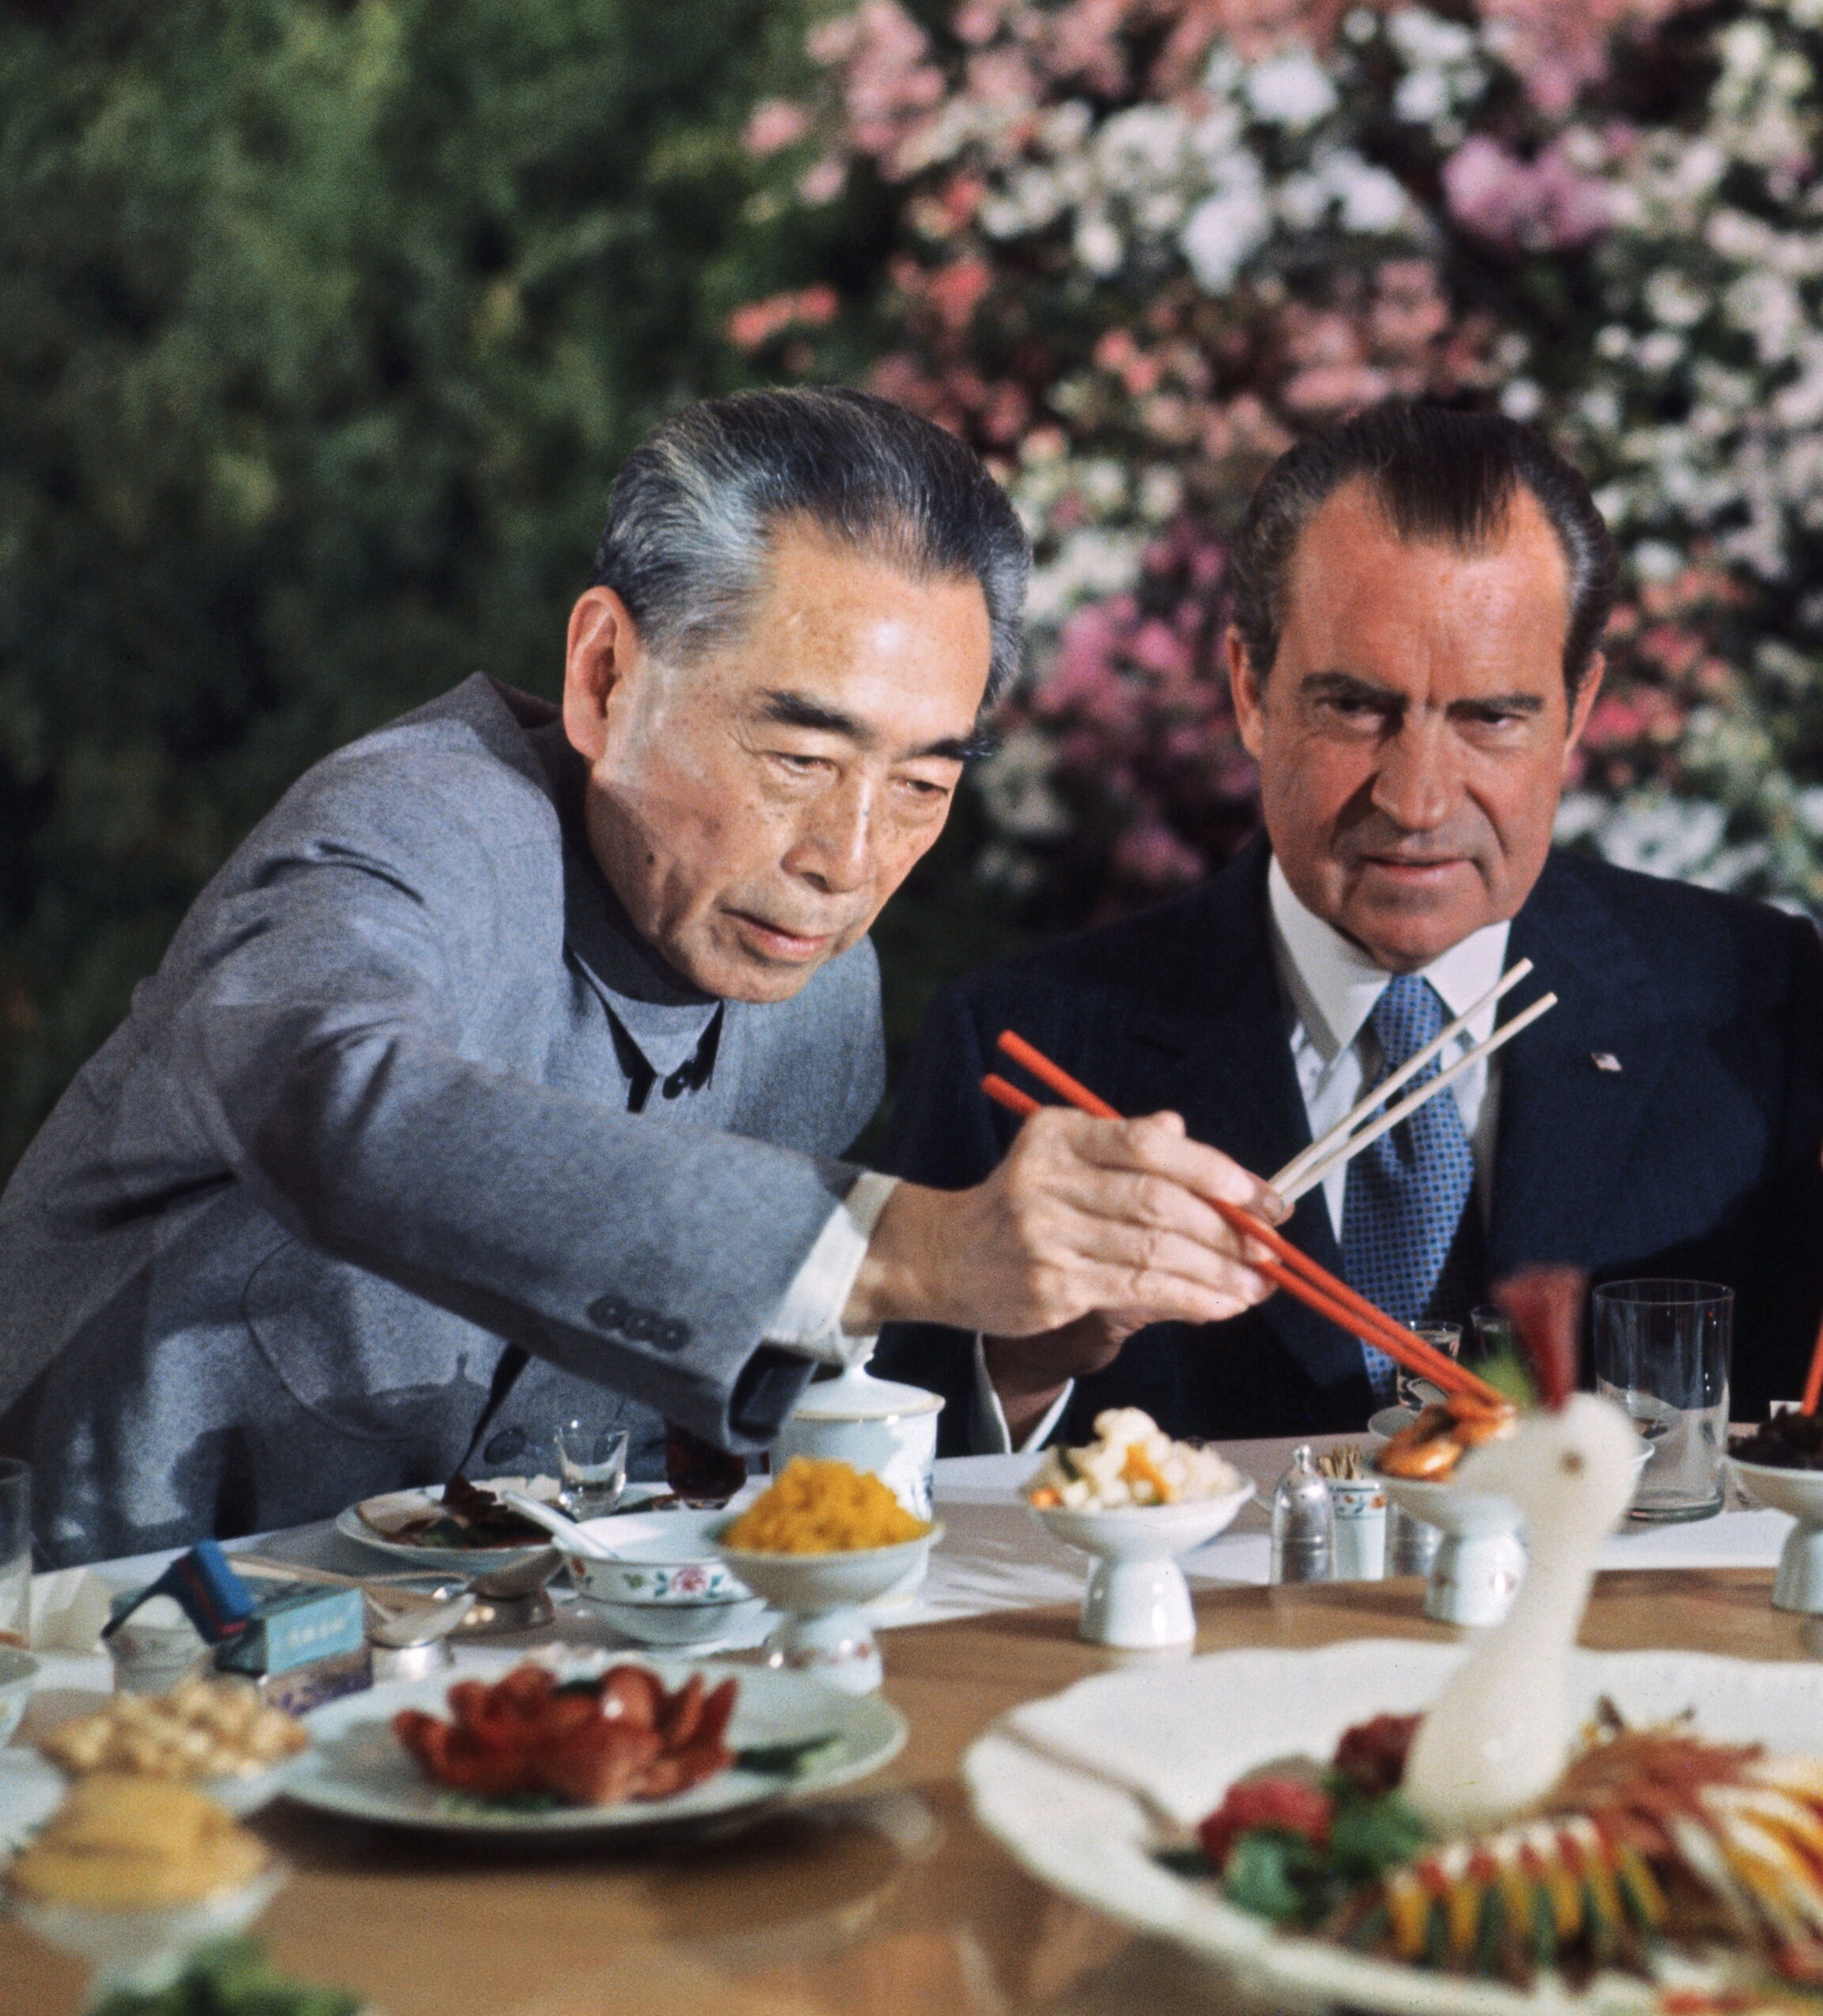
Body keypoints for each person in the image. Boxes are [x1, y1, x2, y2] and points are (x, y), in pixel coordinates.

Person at [0, 387, 1285, 1566]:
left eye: (924, 786)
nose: (847, 862)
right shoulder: (405, 828)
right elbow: (340, 1107)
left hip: (460, 1680)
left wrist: (1012, 1352)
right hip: (79, 1631)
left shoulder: (822, 995)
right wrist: (901, 1242)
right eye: (796, 759)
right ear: (605, 675)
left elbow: (753, 1450)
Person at [878, 404, 1823, 1453]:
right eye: (1357, 710)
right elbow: (887, 1479)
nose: (1418, 801)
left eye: (1491, 718)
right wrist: (1024, 1359)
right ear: (1251, 691)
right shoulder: (1025, 1043)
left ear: (1579, 707)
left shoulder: (1758, 998)